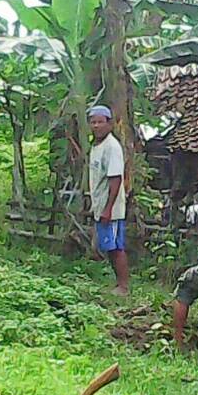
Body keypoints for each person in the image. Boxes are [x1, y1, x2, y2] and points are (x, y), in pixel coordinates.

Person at [88, 105, 129, 294]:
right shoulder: (96, 146)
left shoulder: (112, 147)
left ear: (109, 124)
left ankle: (123, 286)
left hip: (111, 208)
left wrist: (108, 208)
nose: (96, 126)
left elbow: (115, 179)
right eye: (93, 122)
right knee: (108, 246)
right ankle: (118, 284)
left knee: (115, 247)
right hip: (101, 205)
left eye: (100, 122)